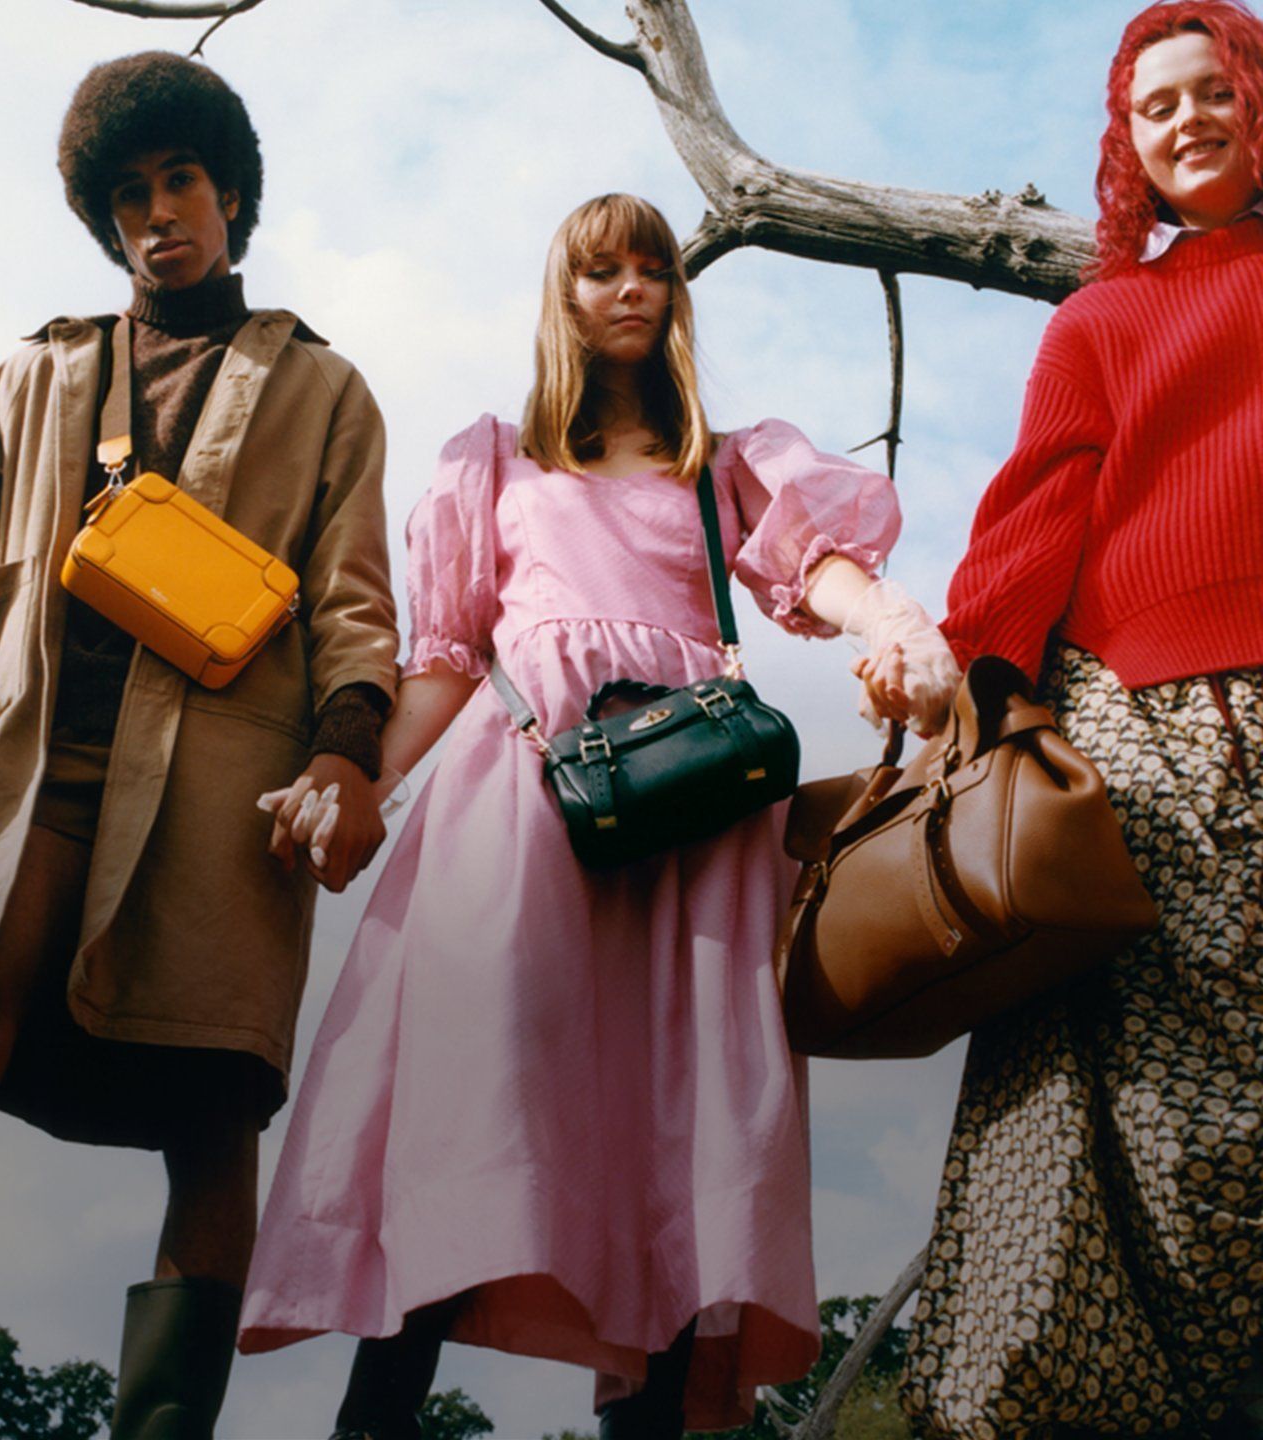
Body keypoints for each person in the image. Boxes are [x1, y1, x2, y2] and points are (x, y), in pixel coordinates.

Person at [238, 193, 957, 1439]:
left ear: (676, 295)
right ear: (562, 297)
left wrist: (894, 624)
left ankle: (653, 1414)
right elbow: (449, 657)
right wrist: (358, 780)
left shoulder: (723, 463)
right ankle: (375, 1420)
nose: (630, 288)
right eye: (600, 270)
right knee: (466, 1102)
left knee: (684, 1127)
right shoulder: (495, 459)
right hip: (527, 809)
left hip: (701, 826)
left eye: (652, 268)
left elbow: (820, 568)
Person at [0, 51, 398, 1440]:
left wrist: (343, 752)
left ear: (231, 197)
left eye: (183, 182)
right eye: (131, 193)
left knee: (215, 1110)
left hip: (223, 793)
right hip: (29, 783)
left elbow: (353, 602)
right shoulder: (30, 376)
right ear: (106, 220)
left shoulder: (327, 391)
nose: (160, 213)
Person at [900, 4, 1263, 1436]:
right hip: (1147, 749)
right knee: (1139, 1127)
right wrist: (960, 671)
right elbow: (1032, 521)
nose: (1186, 121)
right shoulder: (1101, 320)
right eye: (1153, 107)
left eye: (1212, 90)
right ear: (1130, 147)